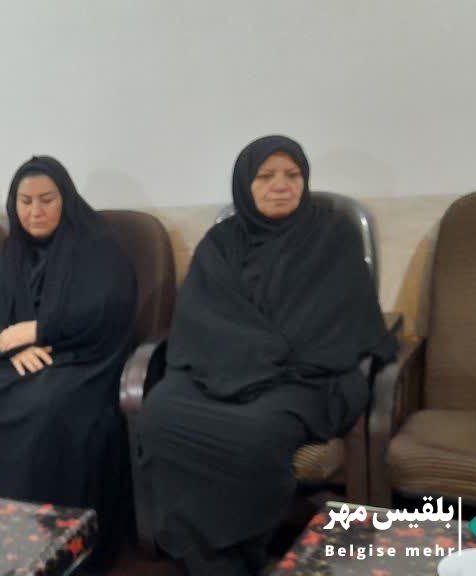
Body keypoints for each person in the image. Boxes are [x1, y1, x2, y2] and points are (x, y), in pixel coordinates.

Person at [137, 136, 395, 575]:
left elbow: (337, 315)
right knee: (160, 412)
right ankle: (204, 553)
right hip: (220, 369)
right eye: (266, 176)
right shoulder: (221, 242)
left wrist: (268, 354)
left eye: (292, 175)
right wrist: (249, 354)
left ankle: (237, 550)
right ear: (245, 184)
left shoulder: (333, 236)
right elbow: (202, 315)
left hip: (303, 375)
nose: (281, 185)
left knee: (256, 434)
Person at [0, 156, 137, 510]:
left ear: (66, 200)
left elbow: (108, 309)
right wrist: (13, 347)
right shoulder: (8, 253)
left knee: (47, 409)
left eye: (46, 200)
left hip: (81, 359)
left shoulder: (98, 246)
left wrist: (41, 329)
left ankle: (44, 524)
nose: (35, 212)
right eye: (25, 201)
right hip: (18, 360)